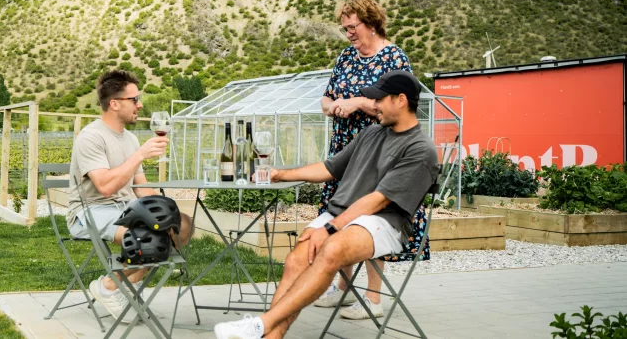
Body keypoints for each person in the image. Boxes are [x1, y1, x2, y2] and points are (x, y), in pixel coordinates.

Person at [214, 70, 439, 339]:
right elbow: (330, 168)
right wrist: (280, 174)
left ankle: (262, 323)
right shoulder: (371, 133)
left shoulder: (420, 148)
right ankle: (268, 335)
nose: (374, 105)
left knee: (330, 249)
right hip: (343, 214)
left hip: (384, 222)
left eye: (380, 99)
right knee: (297, 259)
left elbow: (378, 200)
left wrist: (330, 228)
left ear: (401, 100)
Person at [317, 0, 429, 320]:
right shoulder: (345, 58)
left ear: (371, 23)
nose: (349, 33)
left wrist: (356, 103)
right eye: (345, 28)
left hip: (380, 150)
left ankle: (373, 298)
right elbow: (325, 98)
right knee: (343, 215)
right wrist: (333, 106)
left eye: (353, 27)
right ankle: (342, 289)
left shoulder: (394, 58)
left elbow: (401, 106)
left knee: (370, 220)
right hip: (345, 148)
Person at [67, 69, 194, 319]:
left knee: (182, 226)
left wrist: (165, 212)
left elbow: (141, 187)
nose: (140, 104)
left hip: (125, 208)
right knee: (151, 241)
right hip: (91, 211)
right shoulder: (90, 137)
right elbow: (104, 186)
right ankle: (108, 287)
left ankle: (130, 284)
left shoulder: (131, 139)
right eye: (134, 99)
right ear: (114, 104)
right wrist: (139, 156)